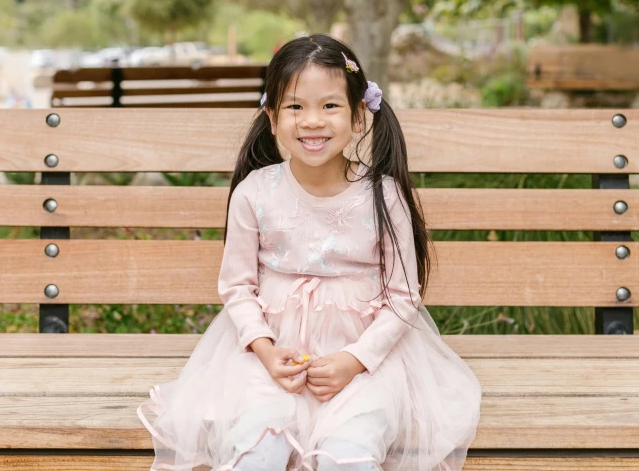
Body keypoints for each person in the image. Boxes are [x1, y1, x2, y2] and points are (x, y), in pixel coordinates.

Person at [137, 34, 481, 471]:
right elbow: (238, 287)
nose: (312, 121)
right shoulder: (256, 193)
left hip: (365, 363)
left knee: (348, 456)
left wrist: (354, 360)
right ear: (272, 116)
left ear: (359, 115)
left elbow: (402, 297)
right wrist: (263, 349)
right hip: (269, 362)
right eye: (296, 107)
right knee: (260, 448)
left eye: (330, 106)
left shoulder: (381, 194)